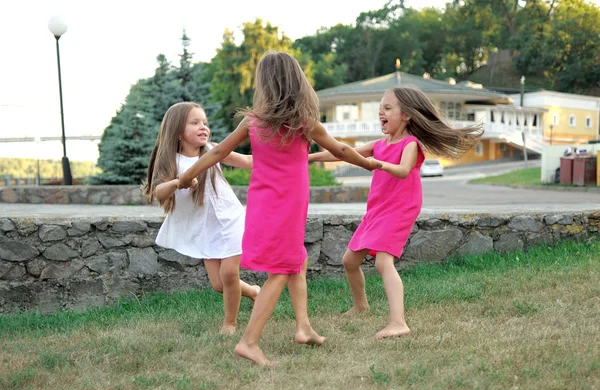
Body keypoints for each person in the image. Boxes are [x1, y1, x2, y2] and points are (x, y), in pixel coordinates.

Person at [178, 51, 380, 366]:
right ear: (297, 82)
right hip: (287, 206)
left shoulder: (253, 122)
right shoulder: (304, 124)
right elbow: (340, 148)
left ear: (265, 85)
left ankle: (304, 327)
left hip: (263, 205)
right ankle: (249, 342)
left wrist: (188, 175)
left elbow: (217, 151)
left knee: (296, 260)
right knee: (283, 270)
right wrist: (367, 163)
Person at [309, 86, 483, 339]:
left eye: (388, 108)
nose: (382, 112)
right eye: (380, 109)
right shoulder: (380, 144)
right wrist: (311, 158)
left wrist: (376, 163)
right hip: (378, 209)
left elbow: (403, 171)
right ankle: (361, 306)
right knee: (349, 261)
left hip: (401, 208)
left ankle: (398, 322)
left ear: (407, 115)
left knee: (383, 261)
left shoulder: (410, 144)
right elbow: (343, 152)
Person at [143, 102, 260, 335]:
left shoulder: (212, 150)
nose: (203, 127)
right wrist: (179, 182)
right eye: (195, 123)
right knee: (219, 285)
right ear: (178, 132)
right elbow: (158, 192)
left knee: (229, 274)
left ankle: (230, 324)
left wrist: (282, 161)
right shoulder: (172, 163)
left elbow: (247, 161)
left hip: (231, 219)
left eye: (204, 122)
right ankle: (255, 292)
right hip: (206, 227)